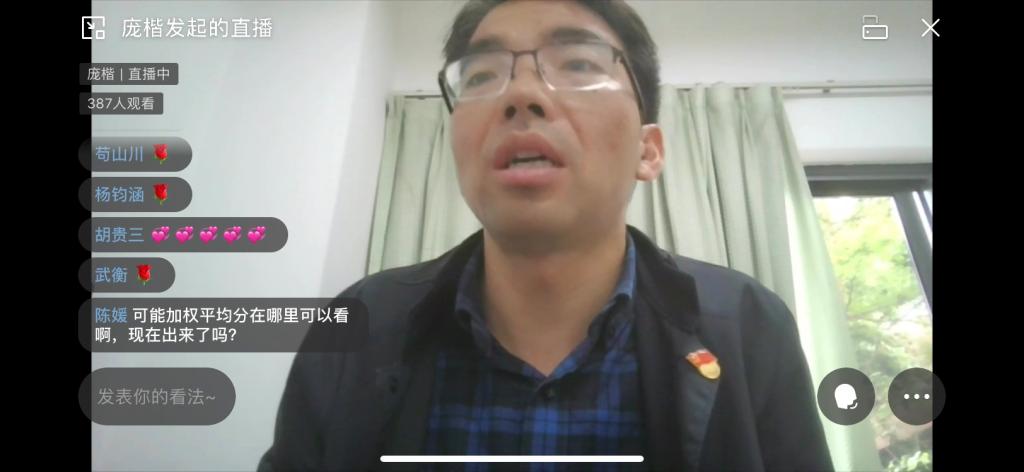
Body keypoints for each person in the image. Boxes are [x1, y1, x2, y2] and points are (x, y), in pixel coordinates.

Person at [259, 1, 833, 470]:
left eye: (578, 64)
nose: (520, 95)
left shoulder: (747, 323)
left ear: (648, 150)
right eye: (482, 75)